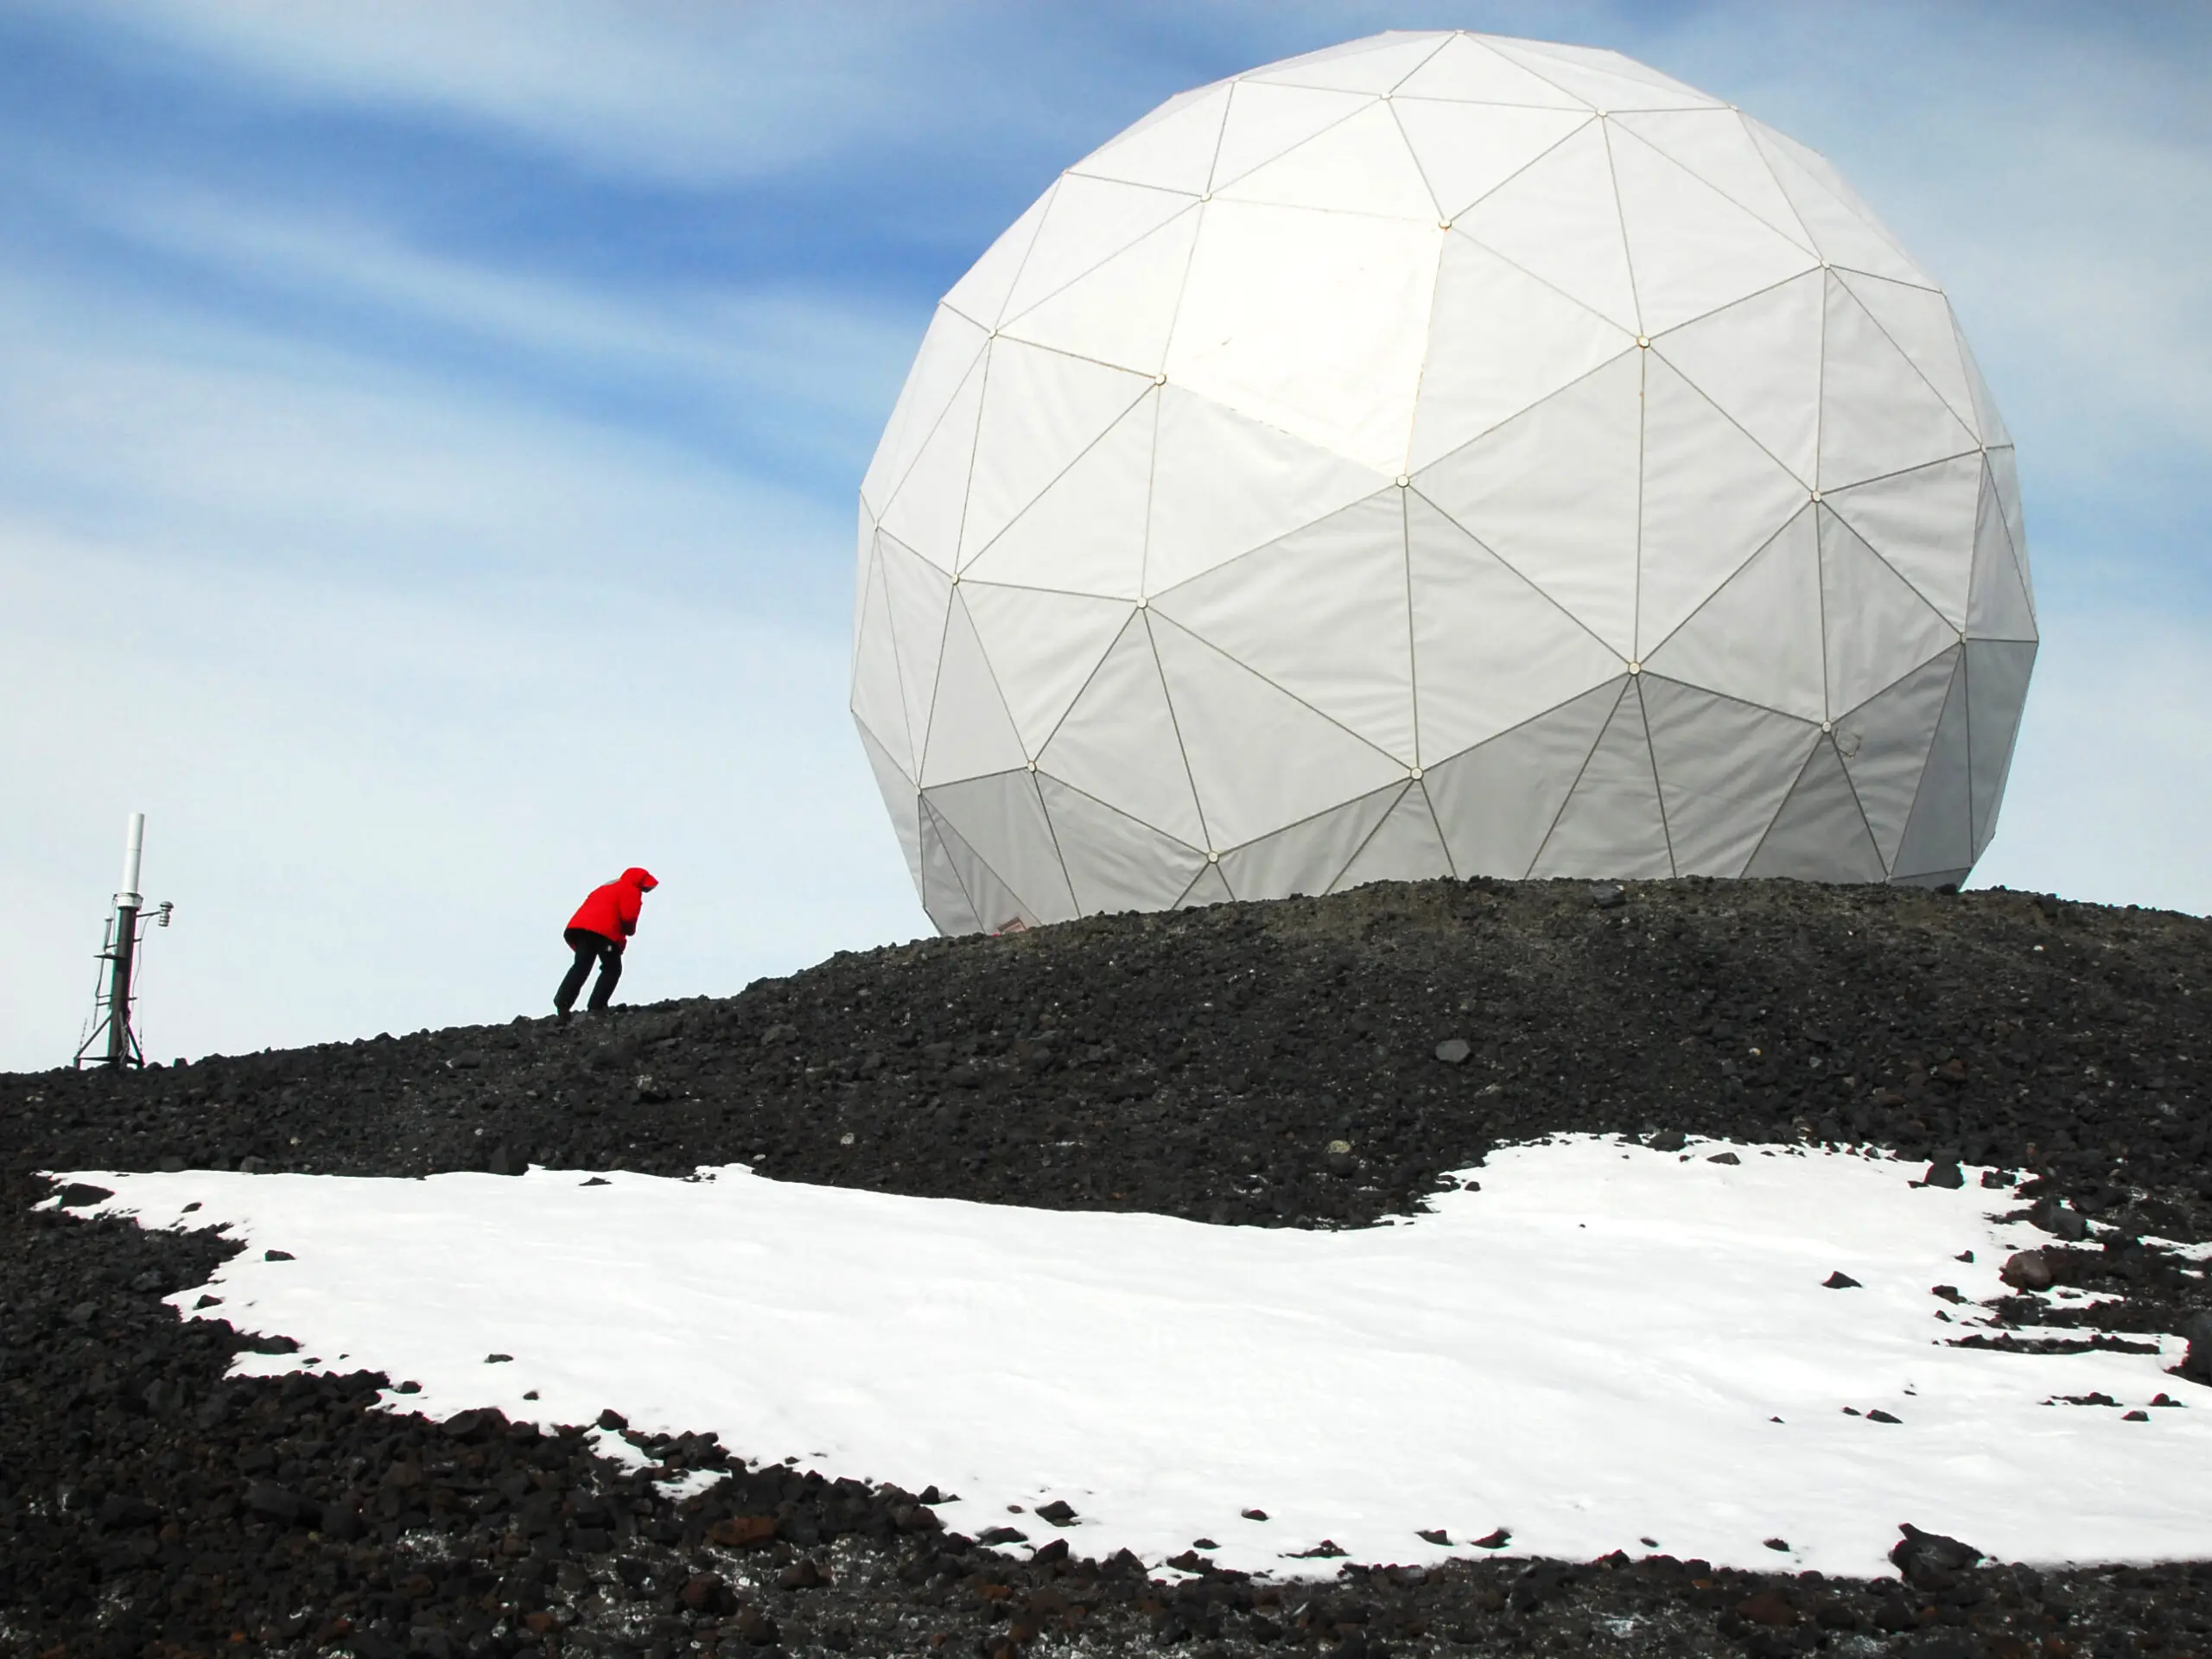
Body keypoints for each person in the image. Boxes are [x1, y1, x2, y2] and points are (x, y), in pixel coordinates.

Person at [555, 868, 658, 1021]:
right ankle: (597, 1006)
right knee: (612, 968)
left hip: (582, 930)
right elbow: (628, 918)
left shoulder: (606, 887)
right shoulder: (631, 889)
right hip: (604, 934)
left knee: (581, 966)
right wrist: (628, 933)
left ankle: (563, 1003)